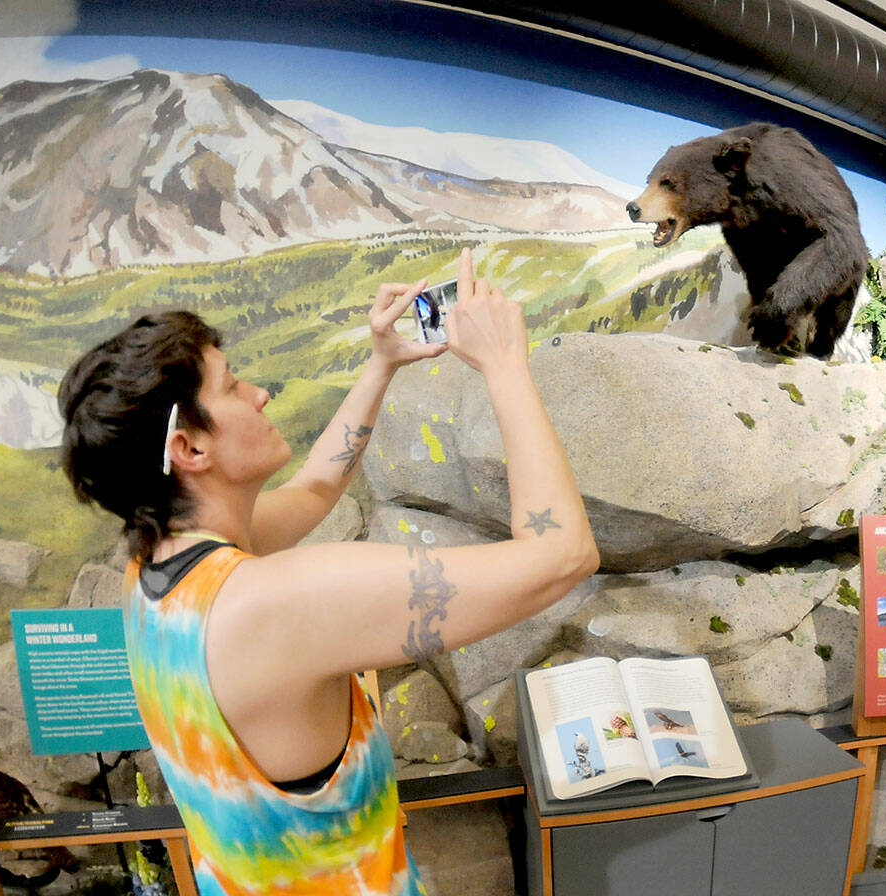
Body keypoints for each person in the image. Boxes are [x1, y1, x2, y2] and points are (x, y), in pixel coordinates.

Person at [58, 248, 599, 896]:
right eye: (232, 386)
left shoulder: (159, 567)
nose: (259, 393)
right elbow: (561, 557)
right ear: (190, 448)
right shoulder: (276, 605)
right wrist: (507, 366)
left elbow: (316, 488)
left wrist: (382, 364)